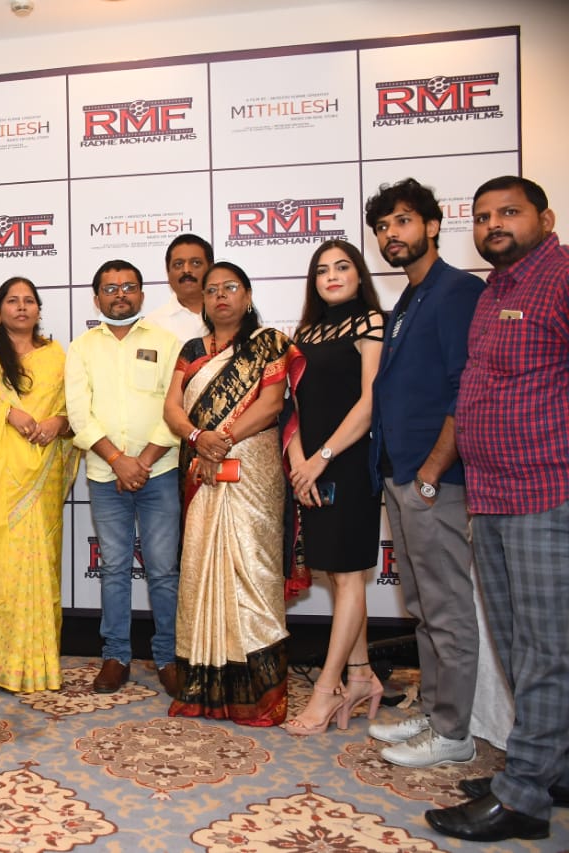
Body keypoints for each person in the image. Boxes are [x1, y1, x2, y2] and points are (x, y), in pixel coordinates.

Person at [426, 176, 569, 843]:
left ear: (545, 217)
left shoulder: (561, 279)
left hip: (547, 491)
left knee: (545, 649)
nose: (493, 225)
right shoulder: (495, 290)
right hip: (491, 492)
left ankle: (523, 799)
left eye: (508, 212)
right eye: (482, 217)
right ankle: (550, 767)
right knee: (515, 643)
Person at [364, 178, 483, 768]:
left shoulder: (457, 291)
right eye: (383, 226)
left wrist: (434, 470)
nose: (392, 234)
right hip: (400, 473)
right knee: (422, 604)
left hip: (434, 477)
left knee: (447, 608)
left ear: (433, 226)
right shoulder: (410, 298)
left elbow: (467, 389)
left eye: (403, 221)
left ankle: (454, 731)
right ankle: (435, 711)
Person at [163, 261, 298, 726]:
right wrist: (198, 437)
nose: (220, 296)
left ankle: (259, 696)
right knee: (201, 568)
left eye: (230, 287)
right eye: (212, 290)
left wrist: (221, 438)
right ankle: (202, 690)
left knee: (253, 570)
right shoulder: (191, 350)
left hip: (252, 468)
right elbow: (172, 408)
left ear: (248, 295)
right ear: (203, 301)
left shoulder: (269, 343)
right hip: (201, 467)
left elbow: (272, 404)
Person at [0, 277, 80, 693]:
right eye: (12, 301)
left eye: (28, 301)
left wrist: (59, 422)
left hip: (42, 479)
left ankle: (40, 662)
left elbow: (76, 410)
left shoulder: (56, 356)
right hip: (0, 485)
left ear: (39, 310)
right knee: (3, 568)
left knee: (40, 567)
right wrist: (6, 413)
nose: (21, 307)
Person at [65, 260, 183, 696]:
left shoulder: (168, 343)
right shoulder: (81, 348)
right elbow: (79, 415)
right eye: (110, 288)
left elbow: (176, 409)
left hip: (159, 473)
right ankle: (115, 656)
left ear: (142, 294)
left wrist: (142, 462)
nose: (120, 295)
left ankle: (169, 657)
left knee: (163, 571)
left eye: (128, 287)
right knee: (114, 569)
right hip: (105, 476)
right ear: (97, 298)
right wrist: (118, 460)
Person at [283, 240, 386, 735]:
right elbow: (295, 407)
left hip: (349, 464)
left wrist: (322, 459)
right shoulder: (304, 333)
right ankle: (361, 675)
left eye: (342, 266)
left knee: (348, 577)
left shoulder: (371, 323)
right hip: (311, 466)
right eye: (322, 270)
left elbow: (370, 402)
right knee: (339, 575)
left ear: (359, 274)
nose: (332, 276)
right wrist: (299, 463)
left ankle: (327, 690)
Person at [146, 233, 211, 343]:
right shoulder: (153, 324)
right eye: (178, 264)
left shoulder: (230, 315)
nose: (186, 270)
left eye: (196, 263)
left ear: (211, 268)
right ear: (168, 272)